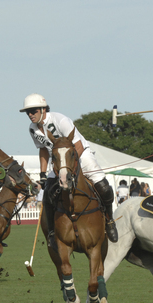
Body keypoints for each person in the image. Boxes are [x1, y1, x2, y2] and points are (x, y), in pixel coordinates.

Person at [20, 93, 118, 247]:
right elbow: (44, 150)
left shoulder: (60, 120)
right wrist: (43, 174)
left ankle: (110, 220)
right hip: (59, 162)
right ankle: (52, 232)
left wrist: (72, 166)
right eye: (28, 112)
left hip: (81, 155)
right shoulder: (33, 129)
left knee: (104, 187)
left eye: (33, 111)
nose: (30, 115)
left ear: (43, 109)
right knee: (47, 195)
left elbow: (77, 144)